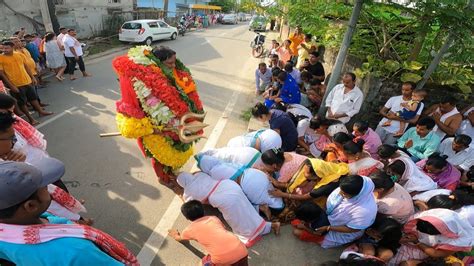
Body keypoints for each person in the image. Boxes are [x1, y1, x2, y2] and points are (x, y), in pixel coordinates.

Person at [0, 161, 138, 265]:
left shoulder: (10, 231)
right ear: (31, 206)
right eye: (44, 186)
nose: (50, 189)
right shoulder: (76, 251)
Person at [176, 172, 280, 247]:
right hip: (227, 185)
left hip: (221, 198)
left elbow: (189, 205)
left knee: (237, 219)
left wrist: (181, 197)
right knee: (246, 209)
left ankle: (249, 235)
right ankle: (270, 225)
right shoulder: (199, 175)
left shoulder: (187, 192)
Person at [168, 200, 249, 266]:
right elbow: (222, 230)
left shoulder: (189, 230)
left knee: (202, 264)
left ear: (186, 217)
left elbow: (179, 238)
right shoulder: (213, 219)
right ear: (203, 210)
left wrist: (174, 234)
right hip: (241, 249)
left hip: (222, 258)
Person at [312, 175, 377, 249]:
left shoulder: (365, 211)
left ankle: (348, 241)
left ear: (357, 195)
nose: (339, 193)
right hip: (331, 218)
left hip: (345, 231)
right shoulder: (347, 187)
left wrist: (328, 228)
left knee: (320, 241)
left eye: (344, 194)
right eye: (340, 190)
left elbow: (353, 228)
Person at [389, 209, 473, 265]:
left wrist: (417, 242)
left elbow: (436, 254)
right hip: (411, 242)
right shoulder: (430, 217)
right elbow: (410, 231)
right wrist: (404, 238)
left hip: (423, 250)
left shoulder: (458, 240)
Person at [269, 159, 349, 213]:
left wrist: (282, 194)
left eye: (307, 173)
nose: (303, 173)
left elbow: (306, 197)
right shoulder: (322, 167)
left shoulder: (326, 185)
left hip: (329, 199)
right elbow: (295, 183)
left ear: (316, 176)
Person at [0, 41, 52, 125]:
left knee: (33, 98)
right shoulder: (1, 58)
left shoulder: (19, 54)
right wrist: (11, 86)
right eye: (3, 48)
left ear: (12, 47)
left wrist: (32, 77)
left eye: (7, 48)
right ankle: (30, 119)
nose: (4, 50)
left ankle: (40, 111)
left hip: (27, 81)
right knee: (22, 103)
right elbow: (2, 74)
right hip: (16, 84)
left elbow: (26, 66)